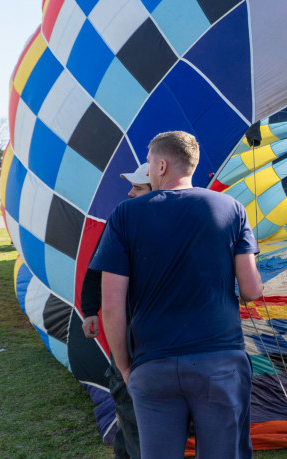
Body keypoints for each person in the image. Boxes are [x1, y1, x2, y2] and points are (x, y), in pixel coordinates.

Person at [93, 131, 262, 458]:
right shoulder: (232, 208)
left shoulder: (125, 216)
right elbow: (252, 290)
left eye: (148, 161)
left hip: (152, 365)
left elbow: (112, 307)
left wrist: (126, 368)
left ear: (161, 165)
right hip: (220, 361)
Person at [80, 163, 151, 459]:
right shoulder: (121, 219)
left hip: (154, 323)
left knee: (137, 396)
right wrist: (89, 309)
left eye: (138, 187)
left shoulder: (182, 218)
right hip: (129, 320)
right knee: (126, 391)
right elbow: (97, 267)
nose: (130, 192)